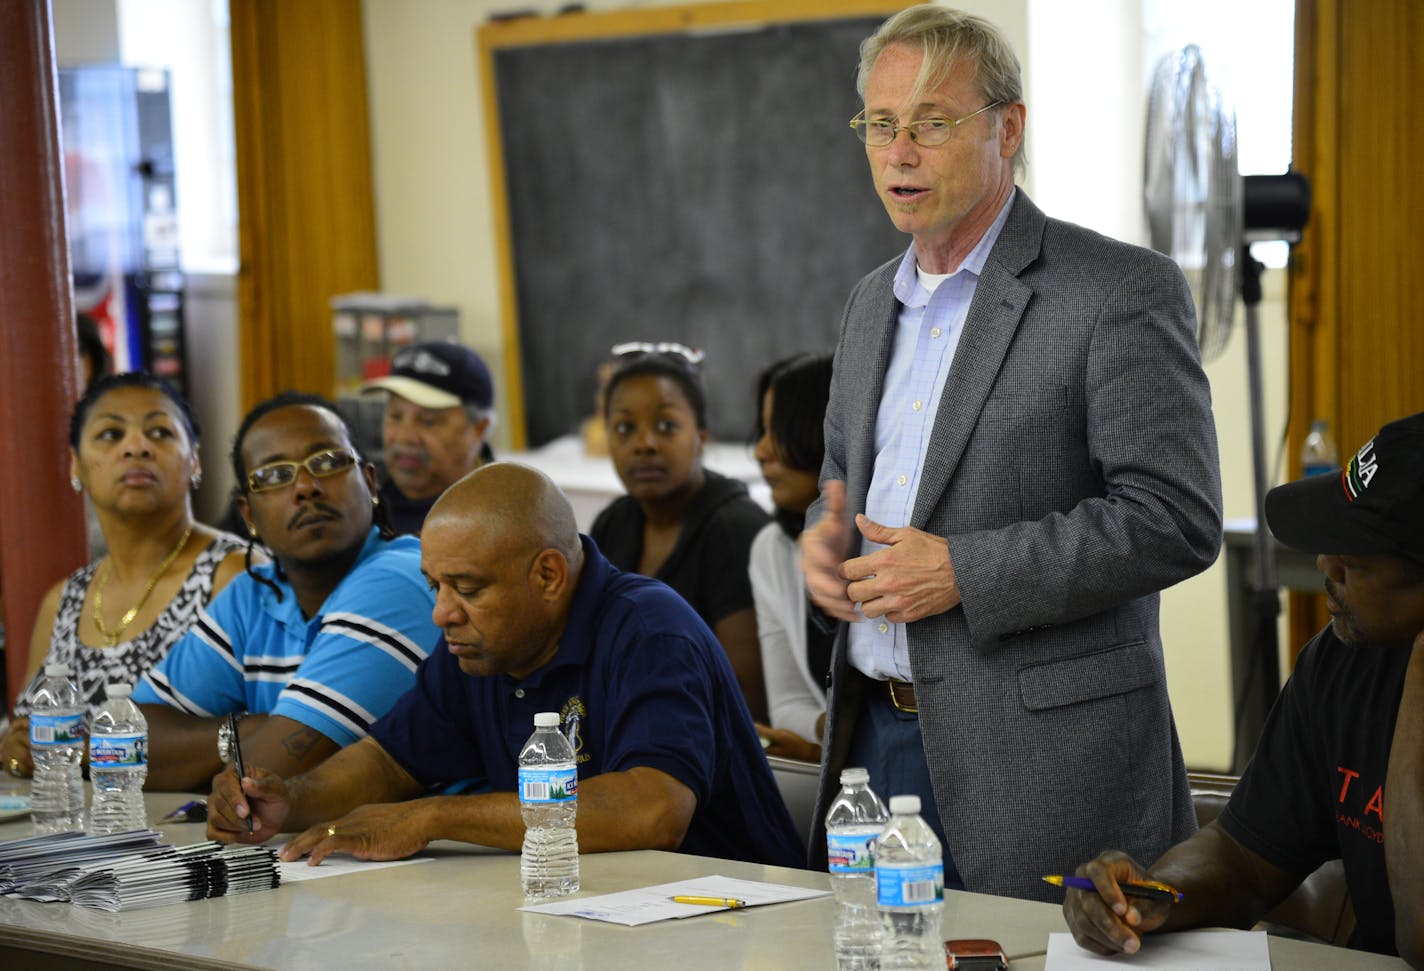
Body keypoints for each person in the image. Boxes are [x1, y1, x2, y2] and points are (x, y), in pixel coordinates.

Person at [799, 5, 1223, 900]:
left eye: (932, 124)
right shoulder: (869, 302)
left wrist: (965, 571)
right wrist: (823, 538)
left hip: (1046, 762)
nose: (899, 152)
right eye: (880, 125)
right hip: (876, 737)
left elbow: (1176, 519)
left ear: (1009, 128)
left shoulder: (1116, 291)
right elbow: (843, 480)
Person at [205, 462, 804, 869]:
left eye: (465, 586)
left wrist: (433, 817)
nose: (442, 614)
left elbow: (652, 810)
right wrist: (290, 799)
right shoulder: (481, 645)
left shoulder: (648, 629)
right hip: (585, 915)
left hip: (729, 921)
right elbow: (391, 761)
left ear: (547, 575)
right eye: (435, 584)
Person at [1062, 412, 1424, 967]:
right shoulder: (1341, 661)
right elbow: (1244, 856)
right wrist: (1153, 895)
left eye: (1354, 560)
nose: (1325, 564)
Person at [131, 391, 441, 791]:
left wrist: (234, 747)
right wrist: (250, 730)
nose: (306, 487)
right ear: (249, 515)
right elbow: (126, 744)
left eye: (327, 462)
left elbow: (262, 783)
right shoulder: (253, 595)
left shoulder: (399, 579)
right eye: (275, 475)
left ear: (369, 482)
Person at [1, 372, 248, 779]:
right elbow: (26, 733)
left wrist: (89, 751)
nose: (136, 447)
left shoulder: (234, 573)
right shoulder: (64, 599)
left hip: (191, 833)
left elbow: (274, 733)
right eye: (111, 434)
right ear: (75, 463)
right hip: (65, 831)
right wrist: (15, 749)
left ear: (195, 459)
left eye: (160, 432)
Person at [590, 345, 772, 722]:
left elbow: (746, 700)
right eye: (624, 428)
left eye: (666, 426)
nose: (644, 444)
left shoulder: (734, 528)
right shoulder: (612, 523)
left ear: (702, 436)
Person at [750, 353, 834, 763]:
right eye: (761, 430)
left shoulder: (896, 541)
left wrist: (830, 747)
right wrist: (832, 742)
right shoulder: (773, 548)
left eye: (777, 430)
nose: (760, 451)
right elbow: (788, 704)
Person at [360, 340, 496, 535]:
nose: (405, 437)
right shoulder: (361, 505)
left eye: (428, 421)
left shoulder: (501, 522)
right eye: (395, 416)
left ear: (478, 429)